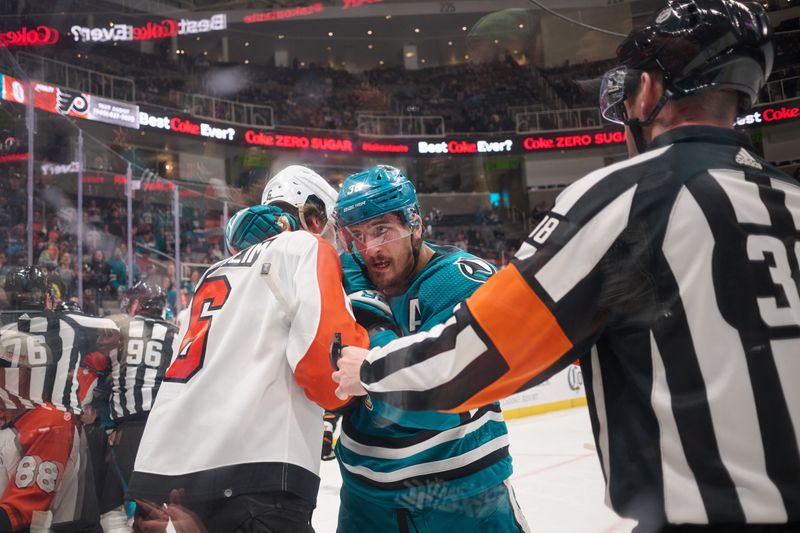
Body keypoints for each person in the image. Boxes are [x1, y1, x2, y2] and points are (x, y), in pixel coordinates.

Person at [334, 1, 800, 531]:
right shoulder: (792, 199)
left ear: (647, 92)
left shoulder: (620, 200)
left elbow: (489, 347)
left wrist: (369, 370)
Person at [127, 166, 369, 532]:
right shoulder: (305, 247)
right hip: (260, 477)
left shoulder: (213, 272)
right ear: (314, 216)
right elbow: (325, 370)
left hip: (178, 481)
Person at [332, 165, 528, 533]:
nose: (369, 248)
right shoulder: (344, 278)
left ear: (415, 224)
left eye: (381, 230)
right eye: (356, 235)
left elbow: (433, 405)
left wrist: (371, 320)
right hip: (365, 504)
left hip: (462, 500)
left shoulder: (462, 280)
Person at [0, 267, 119, 531]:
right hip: (64, 428)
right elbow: (114, 327)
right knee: (70, 519)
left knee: (16, 514)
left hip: (11, 427)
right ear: (46, 297)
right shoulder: (72, 324)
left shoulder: (4, 328)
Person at [82, 281, 178, 533]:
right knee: (153, 504)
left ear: (137, 303)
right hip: (167, 427)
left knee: (122, 505)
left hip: (128, 431)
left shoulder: (118, 328)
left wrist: (102, 418)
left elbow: (96, 372)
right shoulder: (175, 333)